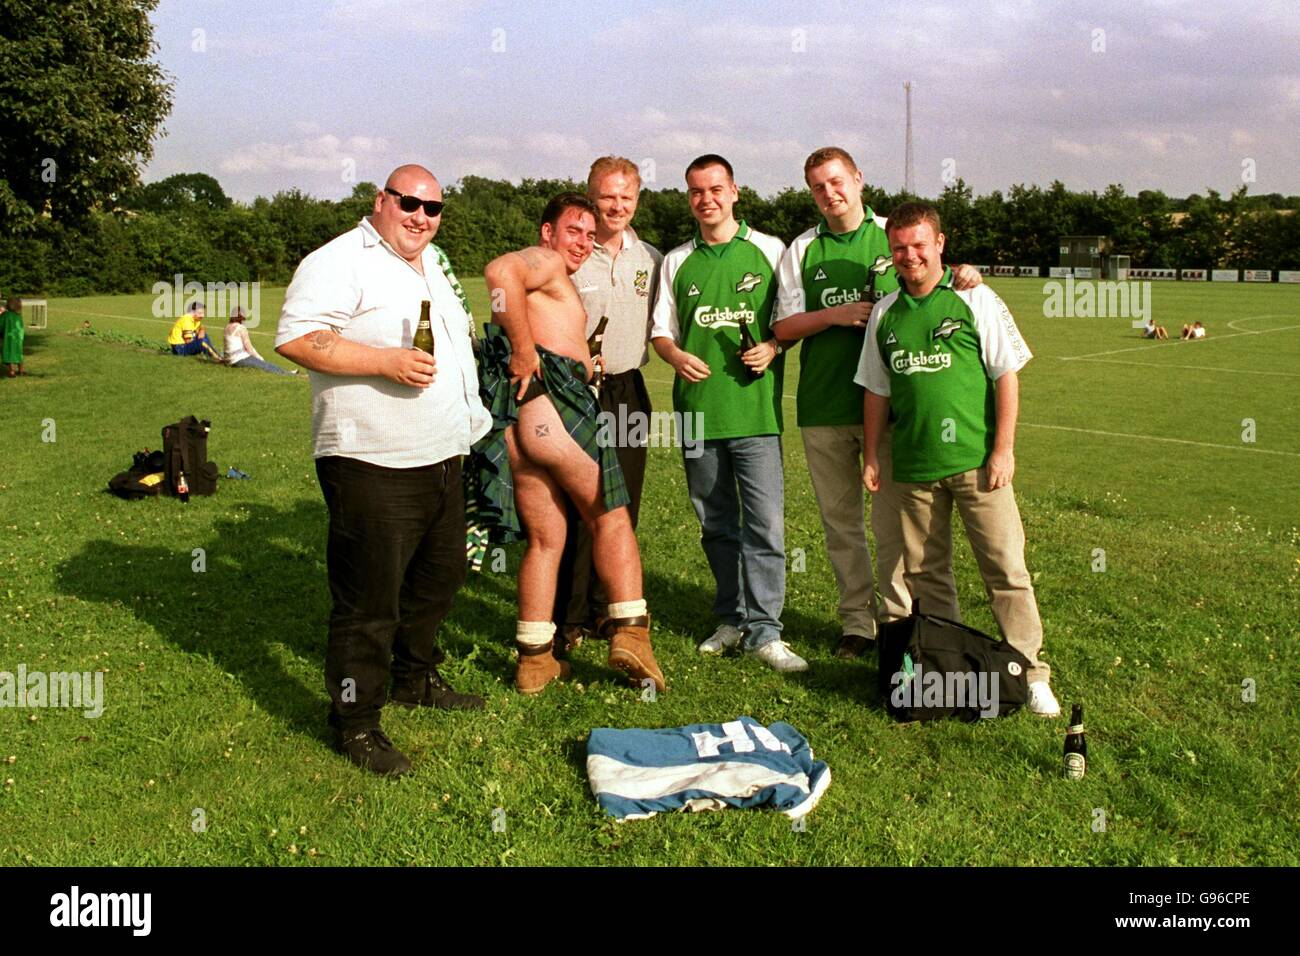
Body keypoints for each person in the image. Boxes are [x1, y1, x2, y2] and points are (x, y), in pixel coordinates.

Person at [275, 164, 490, 776]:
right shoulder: (341, 259)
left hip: (443, 451)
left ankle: (415, 677)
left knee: (437, 578)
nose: (421, 216)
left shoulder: (433, 263)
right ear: (382, 200)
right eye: (409, 202)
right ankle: (355, 723)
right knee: (368, 601)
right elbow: (295, 339)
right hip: (372, 458)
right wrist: (383, 362)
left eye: (434, 207)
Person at [856, 201, 1060, 717]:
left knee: (1006, 570)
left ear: (940, 245)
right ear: (891, 251)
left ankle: (1030, 673)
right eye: (899, 247)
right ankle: (948, 672)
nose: (910, 255)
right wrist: (874, 456)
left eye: (919, 244)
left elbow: (1005, 376)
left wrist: (1003, 450)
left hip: (977, 465)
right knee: (928, 577)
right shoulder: (885, 312)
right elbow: (877, 391)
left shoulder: (976, 299)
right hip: (913, 469)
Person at [773, 147, 974, 658]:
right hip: (822, 405)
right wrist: (836, 315)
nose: (829, 193)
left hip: (891, 413)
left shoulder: (893, 234)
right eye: (818, 186)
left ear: (858, 179)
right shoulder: (801, 248)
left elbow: (939, 280)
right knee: (841, 526)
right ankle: (857, 624)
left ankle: (898, 624)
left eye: (837, 181)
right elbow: (783, 327)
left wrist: (968, 274)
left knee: (893, 530)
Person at [474, 193, 665, 697]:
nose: (583, 241)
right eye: (573, 230)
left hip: (519, 420)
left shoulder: (547, 274)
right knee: (610, 515)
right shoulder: (546, 262)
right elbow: (498, 273)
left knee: (547, 538)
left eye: (589, 232)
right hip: (549, 407)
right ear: (547, 234)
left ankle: (535, 659)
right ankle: (629, 632)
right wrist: (522, 351)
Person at [650, 155, 804, 672]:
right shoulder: (675, 260)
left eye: (715, 188)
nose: (706, 199)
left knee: (764, 526)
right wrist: (675, 355)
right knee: (715, 524)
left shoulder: (769, 250)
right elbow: (661, 332)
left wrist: (772, 349)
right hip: (697, 415)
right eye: (696, 191)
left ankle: (767, 631)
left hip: (754, 415)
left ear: (735, 191)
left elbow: (790, 320)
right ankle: (731, 618)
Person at [554, 157, 662, 652]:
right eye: (606, 197)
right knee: (579, 502)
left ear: (637, 199)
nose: (616, 206)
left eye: (626, 197)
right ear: (590, 195)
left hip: (628, 389)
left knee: (622, 502)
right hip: (576, 391)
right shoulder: (572, 253)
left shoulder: (650, 258)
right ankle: (568, 615)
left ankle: (605, 609)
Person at [223, 307, 296, 374]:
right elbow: (249, 348)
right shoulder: (241, 328)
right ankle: (288, 374)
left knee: (263, 364)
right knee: (265, 365)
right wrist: (259, 358)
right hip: (239, 358)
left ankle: (287, 372)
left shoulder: (227, 327)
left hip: (229, 360)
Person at [1, 297, 24, 377]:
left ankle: (11, 371)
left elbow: (1, 325)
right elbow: (21, 327)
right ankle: (21, 371)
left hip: (9, 338)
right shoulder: (19, 316)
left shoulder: (5, 315)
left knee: (9, 353)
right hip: (18, 339)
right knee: (19, 353)